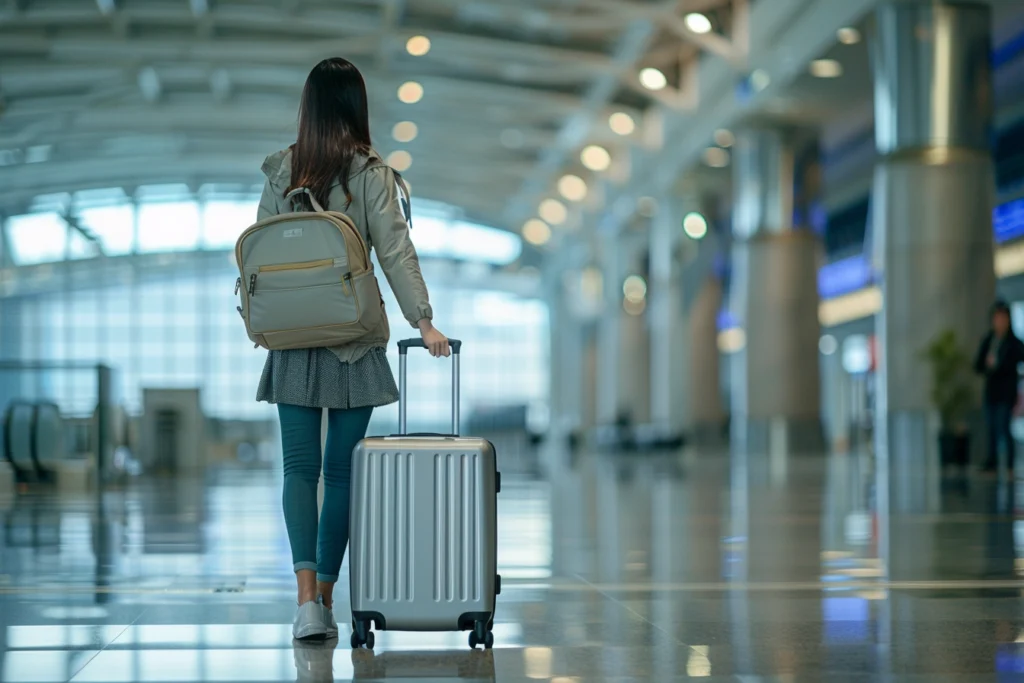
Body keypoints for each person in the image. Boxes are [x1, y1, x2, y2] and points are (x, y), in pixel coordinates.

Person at [255, 57, 450, 640]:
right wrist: (424, 319)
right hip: (353, 340)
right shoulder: (371, 174)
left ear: (308, 107)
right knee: (340, 474)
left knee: (298, 469)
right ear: (355, 106)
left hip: (292, 339)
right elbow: (394, 250)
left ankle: (304, 603)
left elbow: (261, 249)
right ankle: (330, 599)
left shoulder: (282, 170)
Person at [974, 300, 1024, 473]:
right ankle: (992, 462)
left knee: (1003, 427)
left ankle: (1009, 464)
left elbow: (1017, 361)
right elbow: (978, 365)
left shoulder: (1014, 342)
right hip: (992, 392)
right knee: (991, 427)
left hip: (1006, 392)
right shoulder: (989, 340)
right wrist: (987, 363)